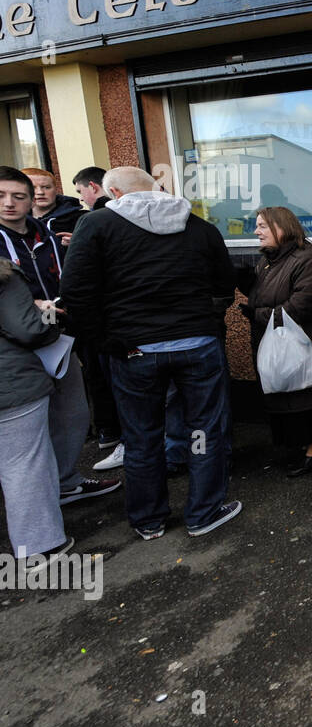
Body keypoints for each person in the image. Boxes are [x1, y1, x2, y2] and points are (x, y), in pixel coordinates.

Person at [60, 166, 240, 540]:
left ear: (112, 192)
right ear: (155, 188)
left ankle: (148, 519)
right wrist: (204, 323)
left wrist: (107, 342)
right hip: (197, 345)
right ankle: (203, 513)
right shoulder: (197, 225)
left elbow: (76, 293)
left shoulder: (95, 226)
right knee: (203, 430)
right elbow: (224, 283)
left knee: (141, 437)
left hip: (134, 350)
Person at [0, 166, 119, 507]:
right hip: (13, 348)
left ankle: (66, 481)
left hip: (58, 334)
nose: (11, 203)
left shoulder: (47, 234)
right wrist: (28, 303)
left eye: (19, 196)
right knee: (26, 436)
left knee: (72, 412)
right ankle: (38, 506)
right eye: (2, 196)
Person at [237, 206, 312, 476]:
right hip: (276, 343)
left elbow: (301, 306)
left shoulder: (308, 260)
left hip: (303, 345)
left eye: (262, 226)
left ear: (281, 228)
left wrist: (257, 314)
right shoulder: (267, 261)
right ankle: (302, 444)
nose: (257, 232)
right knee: (289, 396)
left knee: (307, 396)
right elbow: (266, 293)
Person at [0, 258, 74, 569]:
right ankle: (39, 546)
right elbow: (28, 330)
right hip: (11, 385)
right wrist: (48, 317)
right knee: (24, 464)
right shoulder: (4, 277)